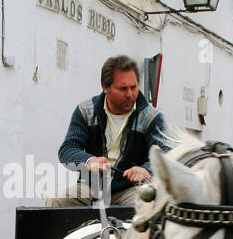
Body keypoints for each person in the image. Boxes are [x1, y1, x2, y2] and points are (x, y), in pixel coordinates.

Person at [47, 55, 168, 206]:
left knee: (149, 206)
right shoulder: (86, 110)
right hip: (91, 188)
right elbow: (67, 149)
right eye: (123, 88)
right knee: (56, 201)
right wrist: (89, 161)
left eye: (134, 87)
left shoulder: (152, 117)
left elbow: (165, 155)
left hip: (131, 190)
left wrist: (147, 170)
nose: (130, 94)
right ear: (105, 87)